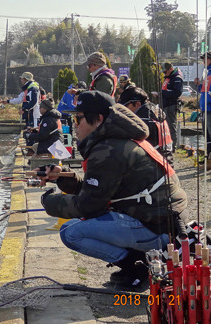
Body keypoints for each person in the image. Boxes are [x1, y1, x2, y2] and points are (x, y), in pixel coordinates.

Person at [36, 90, 188, 290]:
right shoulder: (117, 138)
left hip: (159, 229)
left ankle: (137, 267)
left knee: (71, 232)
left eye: (79, 118)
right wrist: (64, 178)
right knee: (76, 226)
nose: (75, 124)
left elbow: (88, 205)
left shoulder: (108, 149)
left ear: (98, 119)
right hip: (165, 223)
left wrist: (48, 202)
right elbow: (100, 189)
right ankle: (138, 262)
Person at [118, 86, 174, 166]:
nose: (123, 110)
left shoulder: (143, 120)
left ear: (137, 104)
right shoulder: (155, 111)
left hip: (153, 168)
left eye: (125, 106)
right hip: (167, 162)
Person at [160, 62, 183, 151]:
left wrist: (163, 93)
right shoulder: (168, 78)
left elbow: (177, 92)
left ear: (170, 69)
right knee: (165, 126)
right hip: (165, 104)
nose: (164, 73)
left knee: (171, 125)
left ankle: (173, 146)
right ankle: (166, 144)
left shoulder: (176, 78)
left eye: (165, 72)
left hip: (171, 105)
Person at [194, 51, 211, 160]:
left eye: (206, 59)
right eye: (203, 59)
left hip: (210, 108)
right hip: (205, 108)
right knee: (206, 135)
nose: (203, 61)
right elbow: (204, 91)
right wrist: (198, 85)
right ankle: (208, 157)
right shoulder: (207, 73)